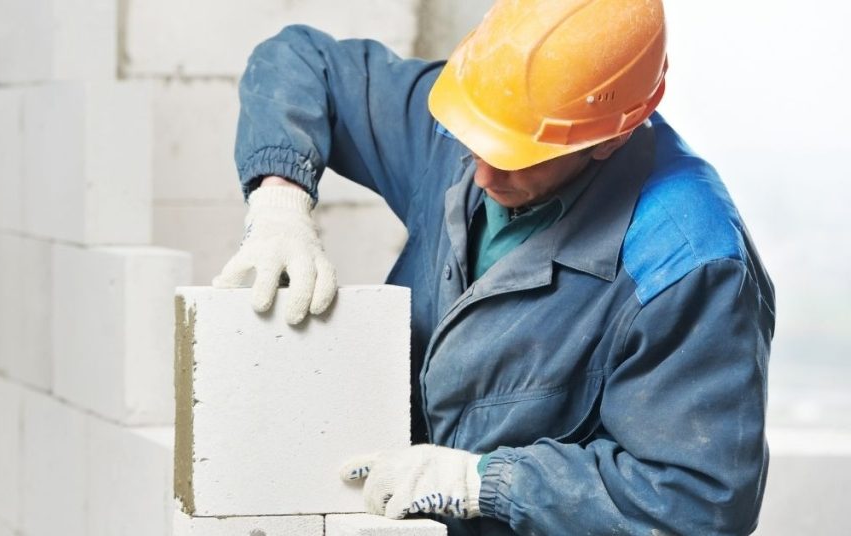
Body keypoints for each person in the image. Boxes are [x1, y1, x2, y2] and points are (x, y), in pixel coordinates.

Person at [213, 0, 775, 534]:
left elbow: (697, 499)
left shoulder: (687, 266)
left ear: (611, 138)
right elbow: (299, 59)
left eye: (513, 157)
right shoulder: (483, 116)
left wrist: (482, 482)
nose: (481, 174)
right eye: (473, 139)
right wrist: (279, 200)